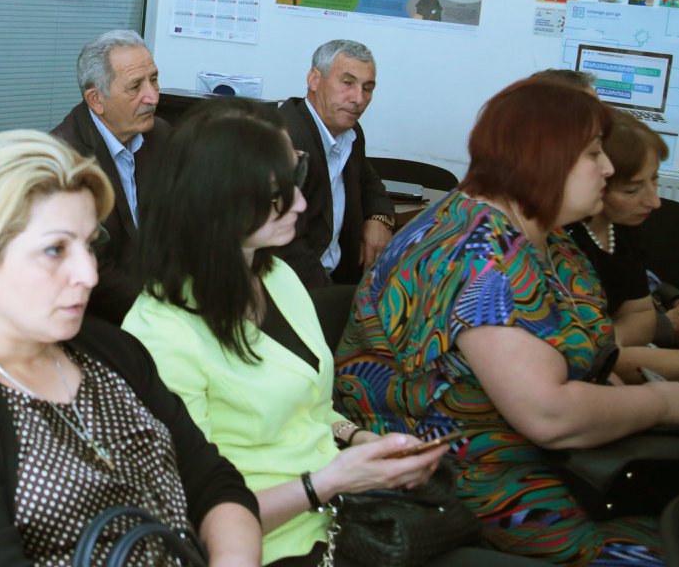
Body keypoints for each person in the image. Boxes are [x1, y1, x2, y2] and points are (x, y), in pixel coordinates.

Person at [335, 79, 679, 564]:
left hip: (541, 458)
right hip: (455, 479)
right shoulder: (476, 254)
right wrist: (660, 404)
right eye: (594, 154)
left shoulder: (541, 233)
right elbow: (549, 415)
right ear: (545, 158)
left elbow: (590, 352)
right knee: (671, 548)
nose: (608, 168)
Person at [0, 130, 263, 566]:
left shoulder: (113, 351)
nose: (88, 274)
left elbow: (214, 483)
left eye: (88, 246)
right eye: (55, 250)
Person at [123, 97, 448, 566]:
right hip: (270, 547)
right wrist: (330, 481)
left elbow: (309, 408)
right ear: (218, 200)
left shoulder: (276, 276)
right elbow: (189, 515)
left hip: (341, 518)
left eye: (297, 178)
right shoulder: (161, 332)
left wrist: (360, 441)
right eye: (279, 193)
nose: (300, 202)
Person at [566, 111, 679, 384]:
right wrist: (612, 345)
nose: (655, 202)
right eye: (631, 190)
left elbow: (641, 317)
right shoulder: (564, 243)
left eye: (654, 179)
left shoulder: (622, 226)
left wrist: (612, 341)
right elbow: (595, 358)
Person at [51, 30, 170, 324]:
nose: (153, 97)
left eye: (154, 79)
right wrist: (162, 312)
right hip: (99, 317)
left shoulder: (160, 134)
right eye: (135, 87)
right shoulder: (65, 160)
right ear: (96, 100)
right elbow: (93, 269)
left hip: (161, 297)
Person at [278, 40, 395, 289]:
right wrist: (331, 298)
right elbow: (284, 242)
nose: (358, 99)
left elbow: (370, 182)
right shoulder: (286, 137)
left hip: (340, 277)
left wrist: (379, 218)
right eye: (347, 83)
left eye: (367, 88)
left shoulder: (350, 132)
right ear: (314, 79)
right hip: (298, 287)